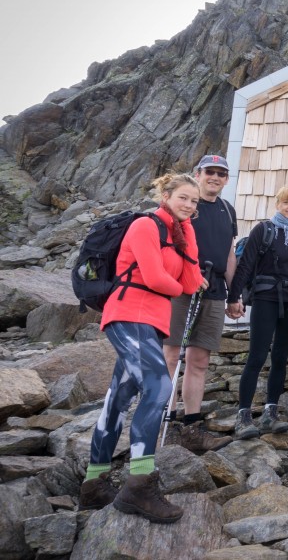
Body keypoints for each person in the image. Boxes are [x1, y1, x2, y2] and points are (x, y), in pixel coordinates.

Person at [79, 173, 203, 523]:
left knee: (118, 399)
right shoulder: (145, 226)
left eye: (194, 202)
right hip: (128, 313)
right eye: (183, 198)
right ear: (166, 195)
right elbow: (154, 278)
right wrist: (176, 283)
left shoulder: (180, 233)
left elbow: (191, 282)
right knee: (160, 386)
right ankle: (139, 485)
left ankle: (93, 484)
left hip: (151, 321)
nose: (189, 205)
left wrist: (189, 235)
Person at [226, 186, 288, 440]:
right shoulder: (263, 230)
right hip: (265, 299)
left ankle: (270, 413)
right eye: (286, 202)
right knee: (256, 356)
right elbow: (246, 265)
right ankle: (243, 416)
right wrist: (234, 297)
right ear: (278, 204)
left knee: (279, 358)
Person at [161, 154, 235, 454]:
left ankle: (191, 426)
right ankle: (162, 419)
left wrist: (236, 294)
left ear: (226, 179)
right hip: (180, 287)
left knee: (200, 359)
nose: (215, 177)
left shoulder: (228, 211)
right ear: (198, 173)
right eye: (210, 172)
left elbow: (230, 254)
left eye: (221, 173)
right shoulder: (186, 206)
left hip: (215, 288)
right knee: (171, 354)